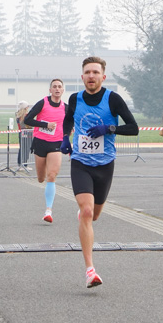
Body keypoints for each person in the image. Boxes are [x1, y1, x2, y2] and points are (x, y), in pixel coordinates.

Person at [61, 56, 139, 288]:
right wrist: (65, 138)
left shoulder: (113, 99)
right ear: (82, 76)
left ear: (103, 77)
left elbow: (133, 128)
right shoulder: (74, 98)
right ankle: (90, 270)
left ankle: (85, 218)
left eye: (96, 72)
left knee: (94, 215)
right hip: (81, 163)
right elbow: (67, 120)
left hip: (105, 165)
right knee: (86, 211)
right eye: (87, 72)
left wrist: (109, 128)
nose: (91, 76)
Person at [24, 79, 67, 223]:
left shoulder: (66, 107)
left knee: (52, 175)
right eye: (54, 86)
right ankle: (43, 176)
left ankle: (48, 211)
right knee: (41, 178)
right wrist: (44, 124)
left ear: (62, 90)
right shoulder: (43, 103)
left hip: (56, 143)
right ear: (50, 90)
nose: (57, 89)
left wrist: (69, 131)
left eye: (59, 87)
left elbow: (69, 122)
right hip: (40, 142)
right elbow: (27, 120)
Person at [15, 100, 30, 169]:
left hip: (21, 133)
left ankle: (21, 163)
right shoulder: (25, 116)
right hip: (26, 133)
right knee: (25, 149)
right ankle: (24, 164)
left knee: (22, 149)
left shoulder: (18, 114)